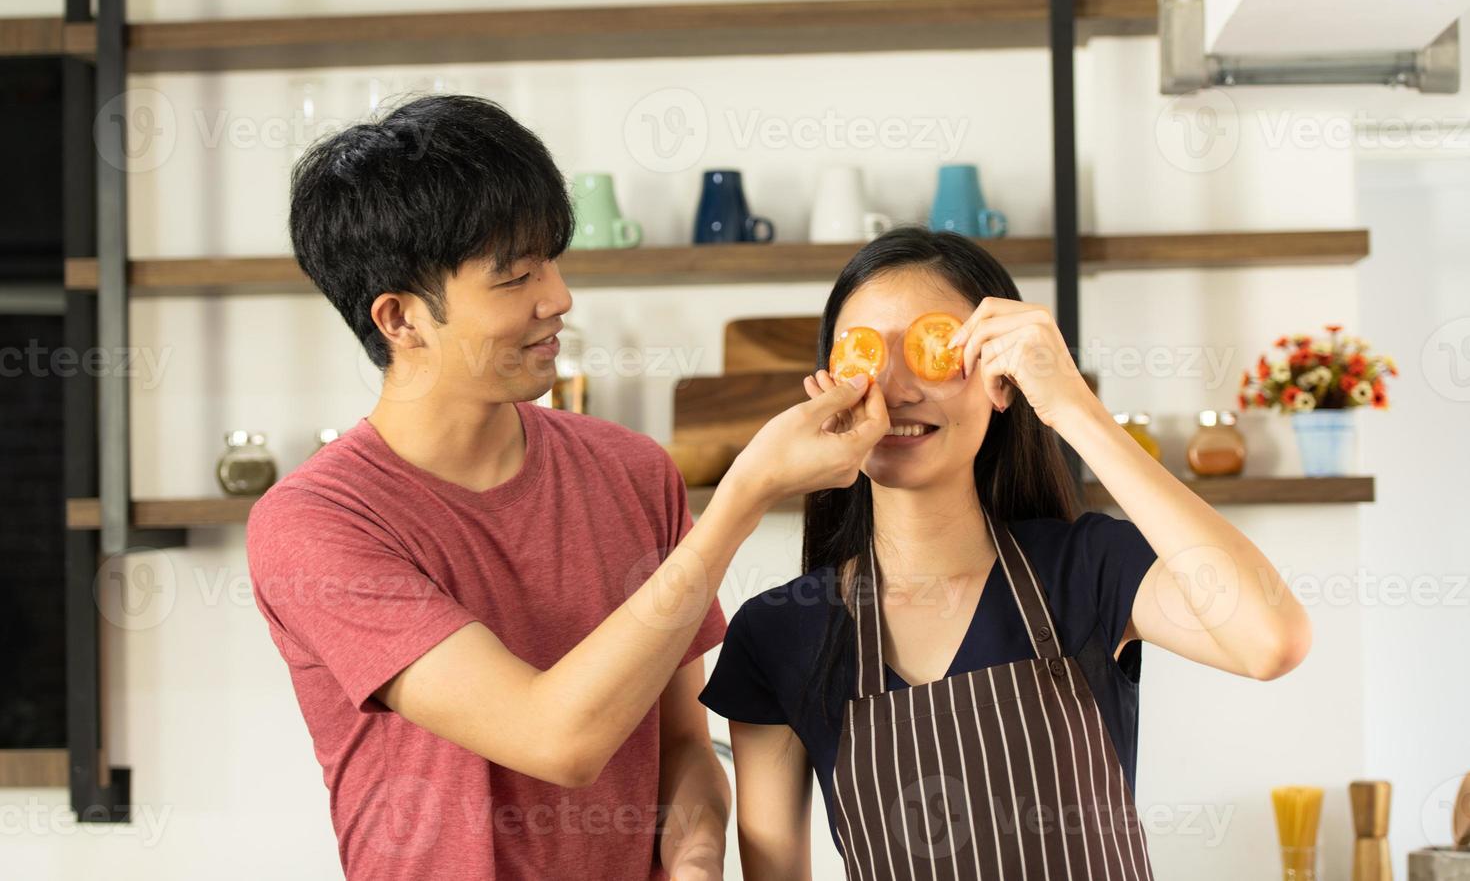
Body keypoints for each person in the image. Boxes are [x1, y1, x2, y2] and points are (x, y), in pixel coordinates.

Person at [244, 94, 890, 881]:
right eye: (515, 277)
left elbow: (681, 745)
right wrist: (744, 498)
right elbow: (558, 739)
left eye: (552, 260)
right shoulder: (316, 525)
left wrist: (692, 862)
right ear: (401, 319)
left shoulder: (630, 472)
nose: (558, 298)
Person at [699, 227, 1313, 879]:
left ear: (1003, 378)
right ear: (827, 386)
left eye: (938, 350)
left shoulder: (1087, 567)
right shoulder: (779, 631)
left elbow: (1270, 639)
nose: (900, 387)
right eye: (867, 358)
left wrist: (1072, 406)